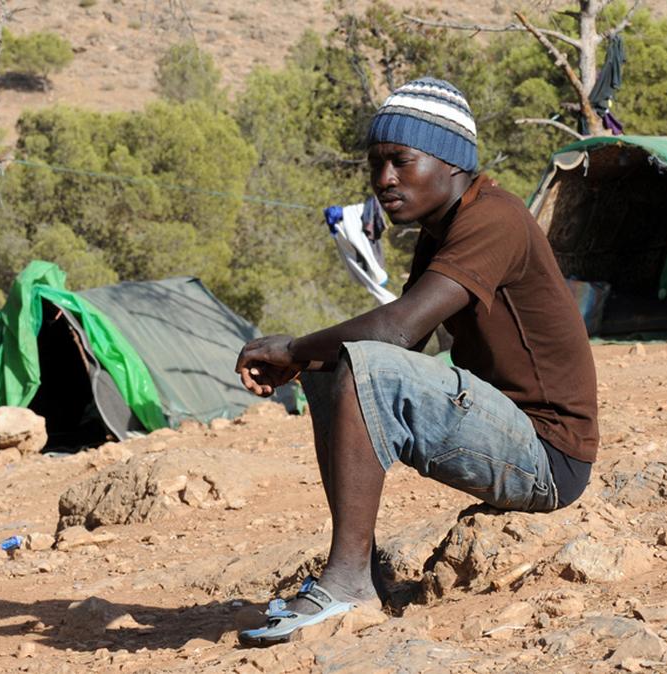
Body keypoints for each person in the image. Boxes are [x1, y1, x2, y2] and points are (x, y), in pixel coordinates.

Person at [234, 77, 599, 646]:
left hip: (548, 454)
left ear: (451, 162)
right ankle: (359, 569)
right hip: (511, 434)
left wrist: (292, 348)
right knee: (339, 365)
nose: (384, 180)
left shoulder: (494, 219)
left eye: (401, 161)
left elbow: (397, 330)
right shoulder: (443, 229)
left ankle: (349, 582)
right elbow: (413, 341)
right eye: (377, 164)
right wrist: (311, 358)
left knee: (359, 360)